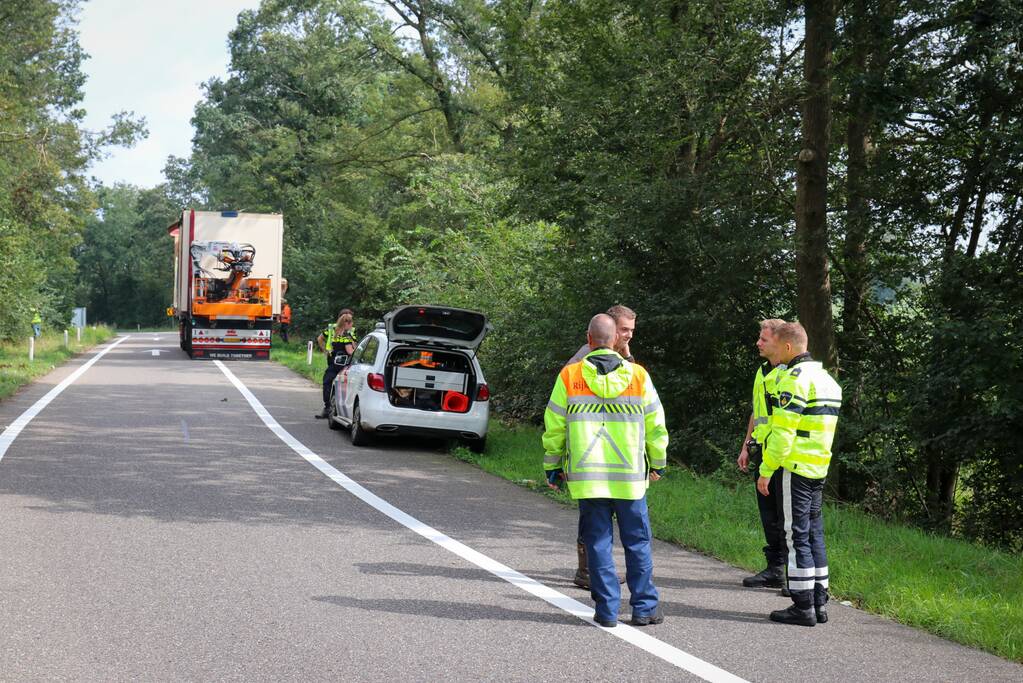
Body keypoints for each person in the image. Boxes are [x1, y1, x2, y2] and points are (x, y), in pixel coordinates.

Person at [543, 314, 669, 628]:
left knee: (597, 543)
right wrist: (658, 464)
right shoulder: (638, 376)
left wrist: (552, 467)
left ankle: (607, 610)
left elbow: (554, 426)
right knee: (637, 543)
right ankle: (644, 608)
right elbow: (656, 426)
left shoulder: (569, 376)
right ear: (614, 340)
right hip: (629, 478)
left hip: (588, 479)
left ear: (589, 340)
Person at [757, 322, 842, 627]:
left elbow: (783, 435)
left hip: (795, 467)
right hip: (819, 467)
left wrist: (766, 470)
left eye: (776, 346)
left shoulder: (794, 380)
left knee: (795, 535)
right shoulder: (828, 380)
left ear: (789, 347)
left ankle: (802, 605)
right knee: (814, 534)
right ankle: (819, 601)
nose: (773, 352)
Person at [566, 304, 638, 589]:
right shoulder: (588, 356)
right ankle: (586, 571)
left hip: (615, 450)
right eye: (624, 330)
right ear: (608, 328)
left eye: (632, 331)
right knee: (593, 514)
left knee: (599, 514)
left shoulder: (622, 356)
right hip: (590, 447)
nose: (628, 336)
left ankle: (592, 569)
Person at [737, 319, 789, 589]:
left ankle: (796, 578)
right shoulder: (762, 370)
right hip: (762, 451)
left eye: (763, 339)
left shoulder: (789, 373)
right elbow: (757, 412)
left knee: (787, 517)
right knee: (768, 514)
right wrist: (746, 444)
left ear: (779, 342)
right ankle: (775, 569)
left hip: (782, 456)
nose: (758, 343)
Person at [314, 309, 357, 419]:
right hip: (337, 361)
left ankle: (333, 408)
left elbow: (320, 339)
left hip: (340, 362)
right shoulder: (335, 330)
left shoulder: (348, 331)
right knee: (331, 384)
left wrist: (325, 350)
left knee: (331, 383)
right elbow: (352, 350)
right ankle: (330, 408)